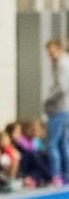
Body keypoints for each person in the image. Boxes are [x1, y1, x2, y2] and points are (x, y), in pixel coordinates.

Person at [44, 38, 69, 188]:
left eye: (52, 52)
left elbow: (62, 87)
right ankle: (65, 174)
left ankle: (56, 175)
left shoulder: (62, 64)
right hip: (63, 108)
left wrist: (47, 100)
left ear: (60, 49)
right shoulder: (60, 64)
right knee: (62, 143)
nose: (50, 55)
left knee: (52, 143)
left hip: (59, 108)